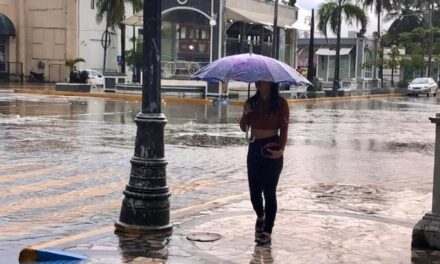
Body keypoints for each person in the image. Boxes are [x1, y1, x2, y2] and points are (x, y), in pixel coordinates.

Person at [239, 81, 290, 245]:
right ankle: (260, 216)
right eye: (257, 80)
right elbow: (242, 127)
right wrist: (246, 114)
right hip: (254, 147)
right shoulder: (252, 102)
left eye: (262, 80)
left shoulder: (281, 103)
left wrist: (281, 149)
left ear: (270, 83)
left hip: (271, 146)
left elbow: (284, 129)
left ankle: (267, 231)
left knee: (269, 191)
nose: (258, 83)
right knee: (254, 192)